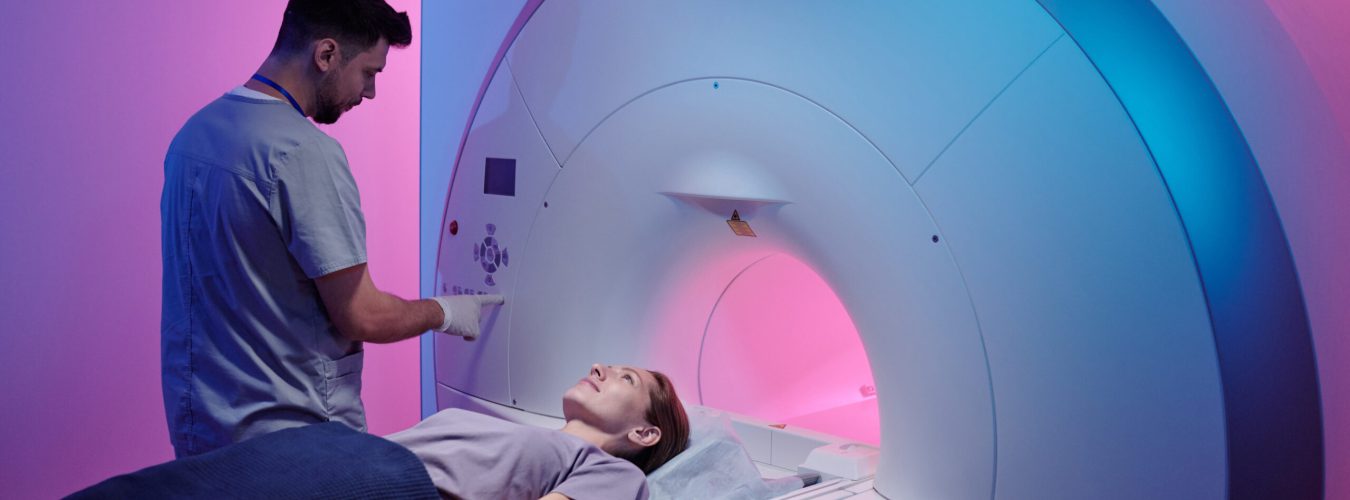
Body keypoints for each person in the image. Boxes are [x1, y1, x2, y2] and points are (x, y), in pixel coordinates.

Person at [160, 0, 502, 458]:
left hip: (204, 430)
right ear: (326, 55)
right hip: (293, 441)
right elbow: (363, 316)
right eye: (369, 72)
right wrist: (446, 310)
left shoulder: (193, 136)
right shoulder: (302, 152)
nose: (371, 92)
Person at [387, 363, 692, 499]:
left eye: (627, 379)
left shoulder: (616, 473)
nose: (598, 367)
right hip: (359, 452)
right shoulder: (529, 438)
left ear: (644, 433)